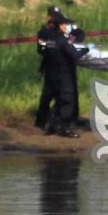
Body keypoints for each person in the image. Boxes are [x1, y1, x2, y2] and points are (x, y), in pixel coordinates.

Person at [38, 8, 88, 137]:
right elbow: (74, 55)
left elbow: (44, 49)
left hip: (54, 71)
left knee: (58, 98)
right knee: (66, 99)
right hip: (63, 72)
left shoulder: (52, 39)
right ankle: (63, 127)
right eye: (65, 24)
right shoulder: (59, 38)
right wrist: (85, 50)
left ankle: (51, 125)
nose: (67, 26)